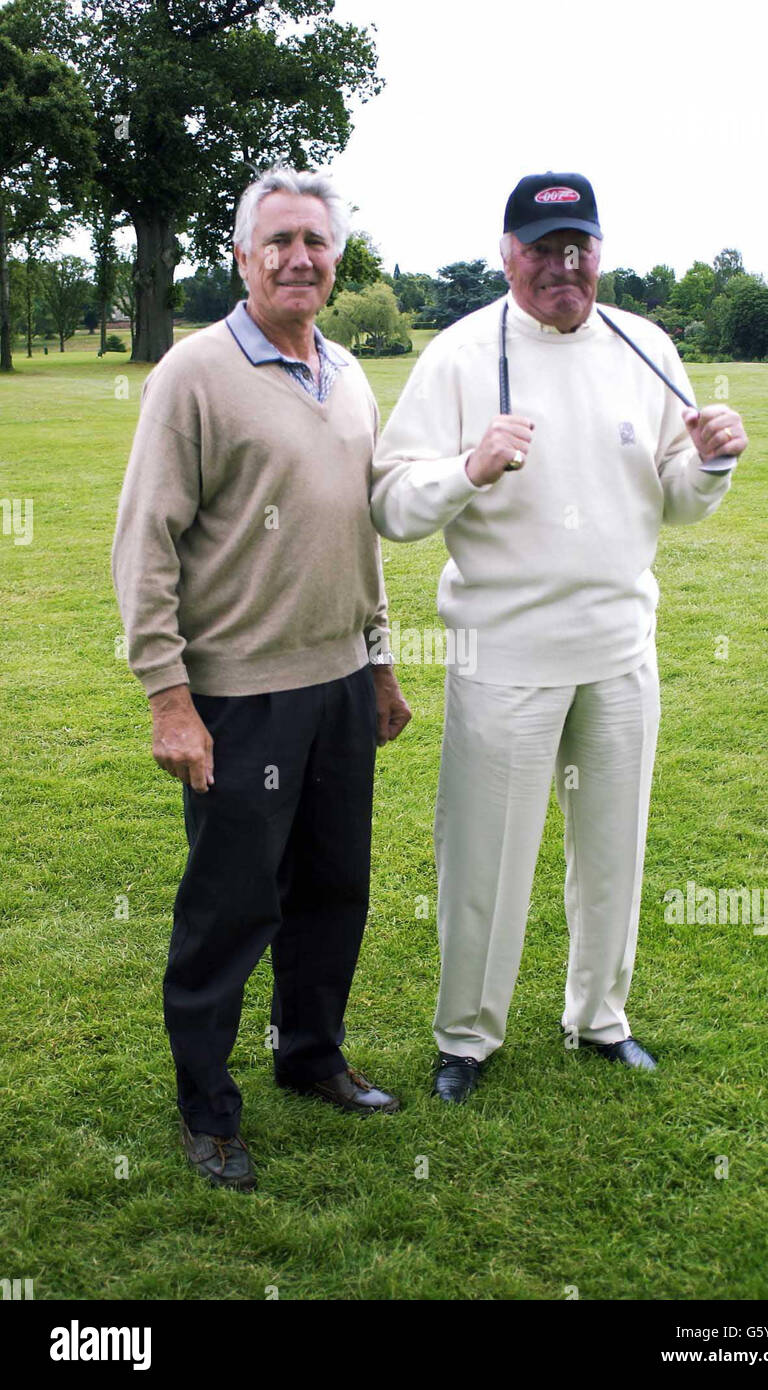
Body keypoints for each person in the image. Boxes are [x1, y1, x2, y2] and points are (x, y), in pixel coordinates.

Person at [370, 171, 748, 1103]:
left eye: (577, 247)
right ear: (508, 256)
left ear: (599, 254)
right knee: (486, 859)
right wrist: (467, 467)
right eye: (541, 250)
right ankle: (465, 1039)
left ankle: (600, 1020)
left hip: (621, 648)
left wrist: (712, 462)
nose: (561, 267)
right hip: (504, 654)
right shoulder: (460, 353)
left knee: (614, 851)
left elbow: (678, 494)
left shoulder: (643, 344)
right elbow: (388, 501)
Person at [112, 167, 411, 1188]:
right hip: (238, 697)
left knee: (334, 891)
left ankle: (311, 1056)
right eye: (277, 240)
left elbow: (360, 537)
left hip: (336, 686)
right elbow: (144, 541)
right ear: (242, 257)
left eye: (315, 241)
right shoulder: (193, 373)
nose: (299, 257)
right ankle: (207, 1109)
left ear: (336, 259)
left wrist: (379, 663)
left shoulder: (350, 373)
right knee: (232, 907)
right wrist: (169, 696)